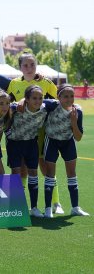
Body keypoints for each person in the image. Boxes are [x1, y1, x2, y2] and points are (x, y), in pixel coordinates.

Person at [7, 52, 63, 214]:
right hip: (22, 135)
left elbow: (59, 102)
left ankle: (55, 202)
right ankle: (21, 203)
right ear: (20, 67)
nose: (29, 68)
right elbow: (7, 106)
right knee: (23, 168)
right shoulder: (14, 84)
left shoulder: (46, 82)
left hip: (43, 133)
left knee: (46, 167)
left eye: (32, 64)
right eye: (25, 65)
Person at [5, 85, 55, 217]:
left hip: (31, 143)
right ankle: (15, 207)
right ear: (26, 99)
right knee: (16, 173)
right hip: (14, 143)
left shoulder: (46, 107)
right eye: (34, 98)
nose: (38, 101)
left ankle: (33, 208)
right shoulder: (16, 107)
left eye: (40, 98)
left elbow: (62, 101)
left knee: (33, 173)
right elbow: (1, 109)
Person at [43, 84, 89, 217]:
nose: (69, 99)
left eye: (72, 96)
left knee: (72, 173)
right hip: (51, 140)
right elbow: (37, 100)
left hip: (68, 142)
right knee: (50, 174)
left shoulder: (77, 111)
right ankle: (47, 209)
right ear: (58, 97)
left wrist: (74, 123)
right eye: (66, 96)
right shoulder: (51, 105)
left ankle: (75, 207)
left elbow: (78, 137)